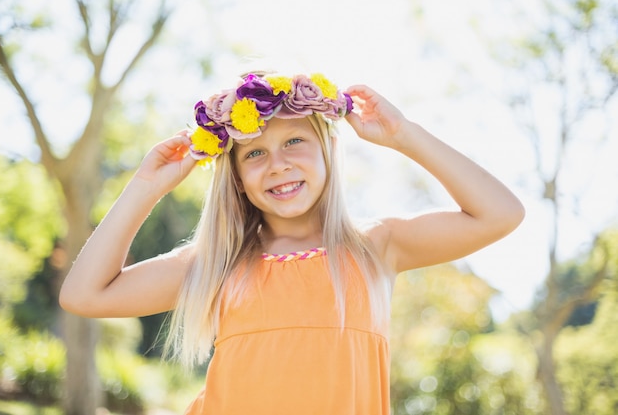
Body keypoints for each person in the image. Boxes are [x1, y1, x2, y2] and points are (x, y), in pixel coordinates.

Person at [59, 72, 525, 414]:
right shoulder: (218, 263)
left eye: (295, 142)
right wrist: (146, 185)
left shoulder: (376, 246)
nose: (277, 165)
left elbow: (501, 214)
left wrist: (404, 136)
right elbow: (83, 295)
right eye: (256, 153)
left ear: (328, 152)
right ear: (238, 179)